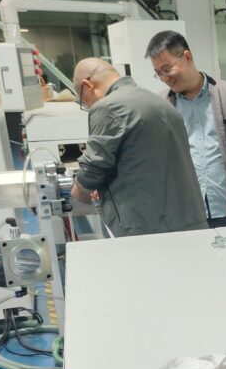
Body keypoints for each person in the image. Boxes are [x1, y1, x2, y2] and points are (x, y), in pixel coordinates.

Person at [70, 58, 207, 237]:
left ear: (87, 85)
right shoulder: (162, 103)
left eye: (82, 101)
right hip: (190, 223)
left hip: (147, 231)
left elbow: (92, 171)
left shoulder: (108, 107)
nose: (87, 106)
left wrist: (78, 191)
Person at [145, 31, 226, 222]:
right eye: (158, 73)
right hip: (185, 214)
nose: (165, 78)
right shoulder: (161, 105)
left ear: (186, 57)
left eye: (167, 69)